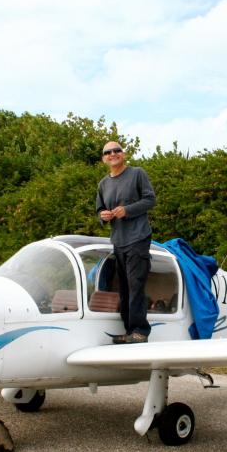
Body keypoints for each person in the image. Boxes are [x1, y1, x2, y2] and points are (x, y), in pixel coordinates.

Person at [95, 141, 156, 344]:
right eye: (108, 152)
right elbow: (99, 211)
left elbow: (150, 200)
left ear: (124, 154)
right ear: (104, 158)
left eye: (117, 150)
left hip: (138, 237)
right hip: (118, 241)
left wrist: (127, 210)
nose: (113, 154)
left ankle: (140, 331)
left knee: (135, 285)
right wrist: (103, 216)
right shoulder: (103, 184)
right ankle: (130, 331)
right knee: (124, 288)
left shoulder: (137, 173)